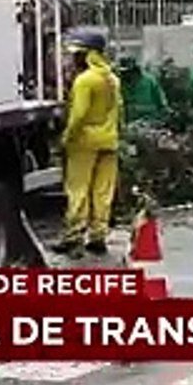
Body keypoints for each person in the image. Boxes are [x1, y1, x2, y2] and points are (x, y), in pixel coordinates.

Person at [55, 28, 122, 257]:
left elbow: (79, 114)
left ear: (87, 54)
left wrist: (67, 137)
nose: (74, 58)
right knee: (103, 191)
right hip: (109, 141)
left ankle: (73, 236)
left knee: (78, 190)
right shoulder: (112, 79)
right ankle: (98, 236)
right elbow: (119, 111)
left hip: (84, 143)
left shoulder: (85, 80)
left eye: (77, 54)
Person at [119, 55, 168, 124]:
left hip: (149, 121)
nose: (126, 74)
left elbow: (162, 102)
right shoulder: (120, 82)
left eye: (128, 72)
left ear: (135, 70)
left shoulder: (149, 80)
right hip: (127, 122)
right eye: (123, 72)